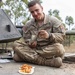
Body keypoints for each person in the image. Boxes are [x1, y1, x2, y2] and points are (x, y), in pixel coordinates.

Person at [12, 0, 65, 68]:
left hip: (48, 50)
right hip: (34, 49)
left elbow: (62, 37)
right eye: (32, 12)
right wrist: (30, 43)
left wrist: (49, 35)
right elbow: (26, 39)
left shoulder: (54, 21)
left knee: (59, 48)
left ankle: (28, 58)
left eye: (37, 10)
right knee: (16, 44)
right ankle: (47, 62)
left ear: (42, 8)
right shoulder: (28, 24)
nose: (35, 13)